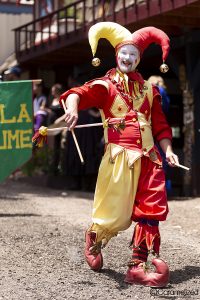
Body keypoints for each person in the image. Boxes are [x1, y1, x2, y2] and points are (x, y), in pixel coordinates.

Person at [59, 22, 179, 287]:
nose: (129, 58)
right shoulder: (105, 85)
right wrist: (73, 108)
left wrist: (168, 150)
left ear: (138, 60)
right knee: (114, 217)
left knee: (151, 211)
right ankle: (94, 238)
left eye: (134, 55)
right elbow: (77, 94)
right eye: (125, 53)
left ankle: (137, 266)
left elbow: (160, 125)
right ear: (117, 55)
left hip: (150, 158)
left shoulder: (149, 90)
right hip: (119, 158)